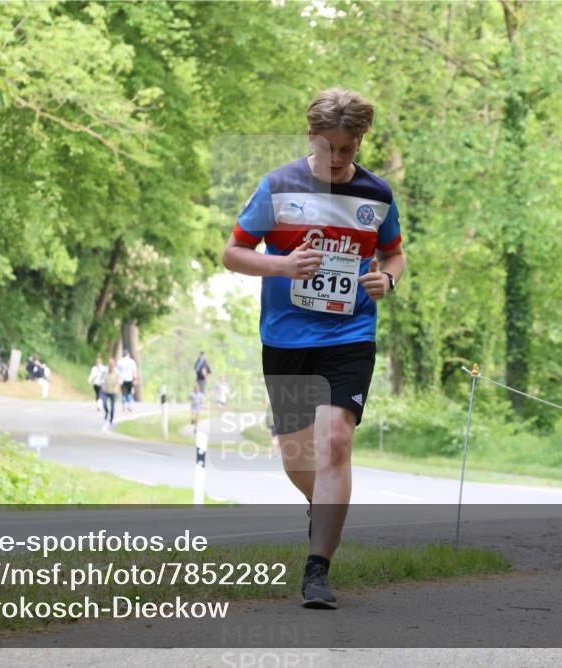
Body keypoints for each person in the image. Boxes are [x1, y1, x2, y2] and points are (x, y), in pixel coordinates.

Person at [221, 87, 404, 609]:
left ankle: (317, 571)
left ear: (360, 142)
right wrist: (281, 265)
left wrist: (386, 283)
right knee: (298, 457)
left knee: (337, 443)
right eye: (329, 149)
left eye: (349, 149)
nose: (338, 160)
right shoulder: (278, 187)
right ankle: (320, 506)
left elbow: (394, 256)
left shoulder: (377, 195)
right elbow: (232, 253)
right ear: (311, 138)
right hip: (286, 337)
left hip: (348, 336)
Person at [100, 358, 121, 431]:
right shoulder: (105, 371)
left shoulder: (117, 373)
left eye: (112, 364)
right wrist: (101, 385)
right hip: (105, 390)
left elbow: (118, 383)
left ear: (114, 365)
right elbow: (101, 379)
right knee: (104, 403)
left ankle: (111, 419)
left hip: (113, 392)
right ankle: (106, 412)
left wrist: (116, 390)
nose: (110, 366)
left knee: (112, 407)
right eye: (109, 364)